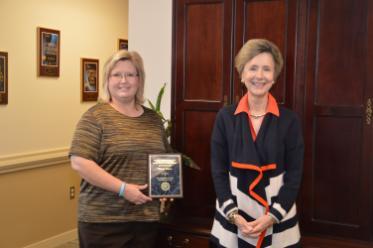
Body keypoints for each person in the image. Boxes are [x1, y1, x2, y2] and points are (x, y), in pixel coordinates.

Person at [69, 50, 172, 247]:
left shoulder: (153, 119)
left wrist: (166, 185)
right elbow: (79, 162)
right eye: (116, 75)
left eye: (130, 74)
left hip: (145, 220)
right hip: (103, 222)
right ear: (107, 80)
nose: (123, 81)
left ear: (139, 80)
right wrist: (123, 189)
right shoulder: (95, 117)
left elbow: (164, 158)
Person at [210, 39, 304, 248]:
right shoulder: (225, 117)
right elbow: (218, 171)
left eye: (266, 69)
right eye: (253, 68)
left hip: (278, 219)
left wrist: (272, 217)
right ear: (242, 74)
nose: (259, 76)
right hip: (233, 218)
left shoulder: (290, 121)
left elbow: (294, 175)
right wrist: (233, 215)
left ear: (274, 76)